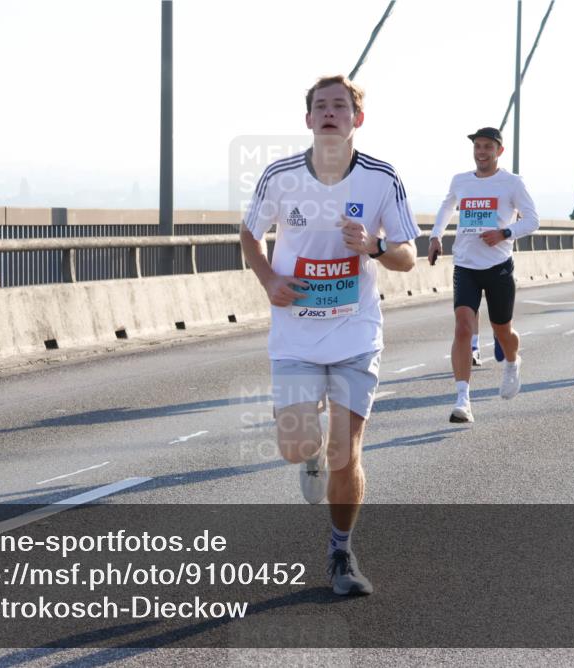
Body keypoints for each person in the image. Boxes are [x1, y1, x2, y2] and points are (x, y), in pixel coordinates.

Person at [239, 75, 419, 595]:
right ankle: (310, 453)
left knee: (348, 450)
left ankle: (341, 552)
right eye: (321, 106)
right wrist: (269, 278)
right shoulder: (280, 175)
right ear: (309, 119)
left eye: (341, 106)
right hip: (294, 335)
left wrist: (376, 247)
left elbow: (409, 255)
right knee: (298, 446)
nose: (331, 113)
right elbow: (250, 233)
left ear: (357, 119)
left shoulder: (382, 178)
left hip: (355, 334)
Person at [429, 127, 539, 423]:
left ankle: (513, 362)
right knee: (463, 328)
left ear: (499, 151)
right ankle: (463, 399)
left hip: (498, 266)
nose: (481, 152)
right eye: (477, 146)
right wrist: (436, 236)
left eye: (488, 147)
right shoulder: (460, 181)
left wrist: (505, 232)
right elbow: (446, 206)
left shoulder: (512, 183)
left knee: (503, 332)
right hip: (465, 265)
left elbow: (532, 220)